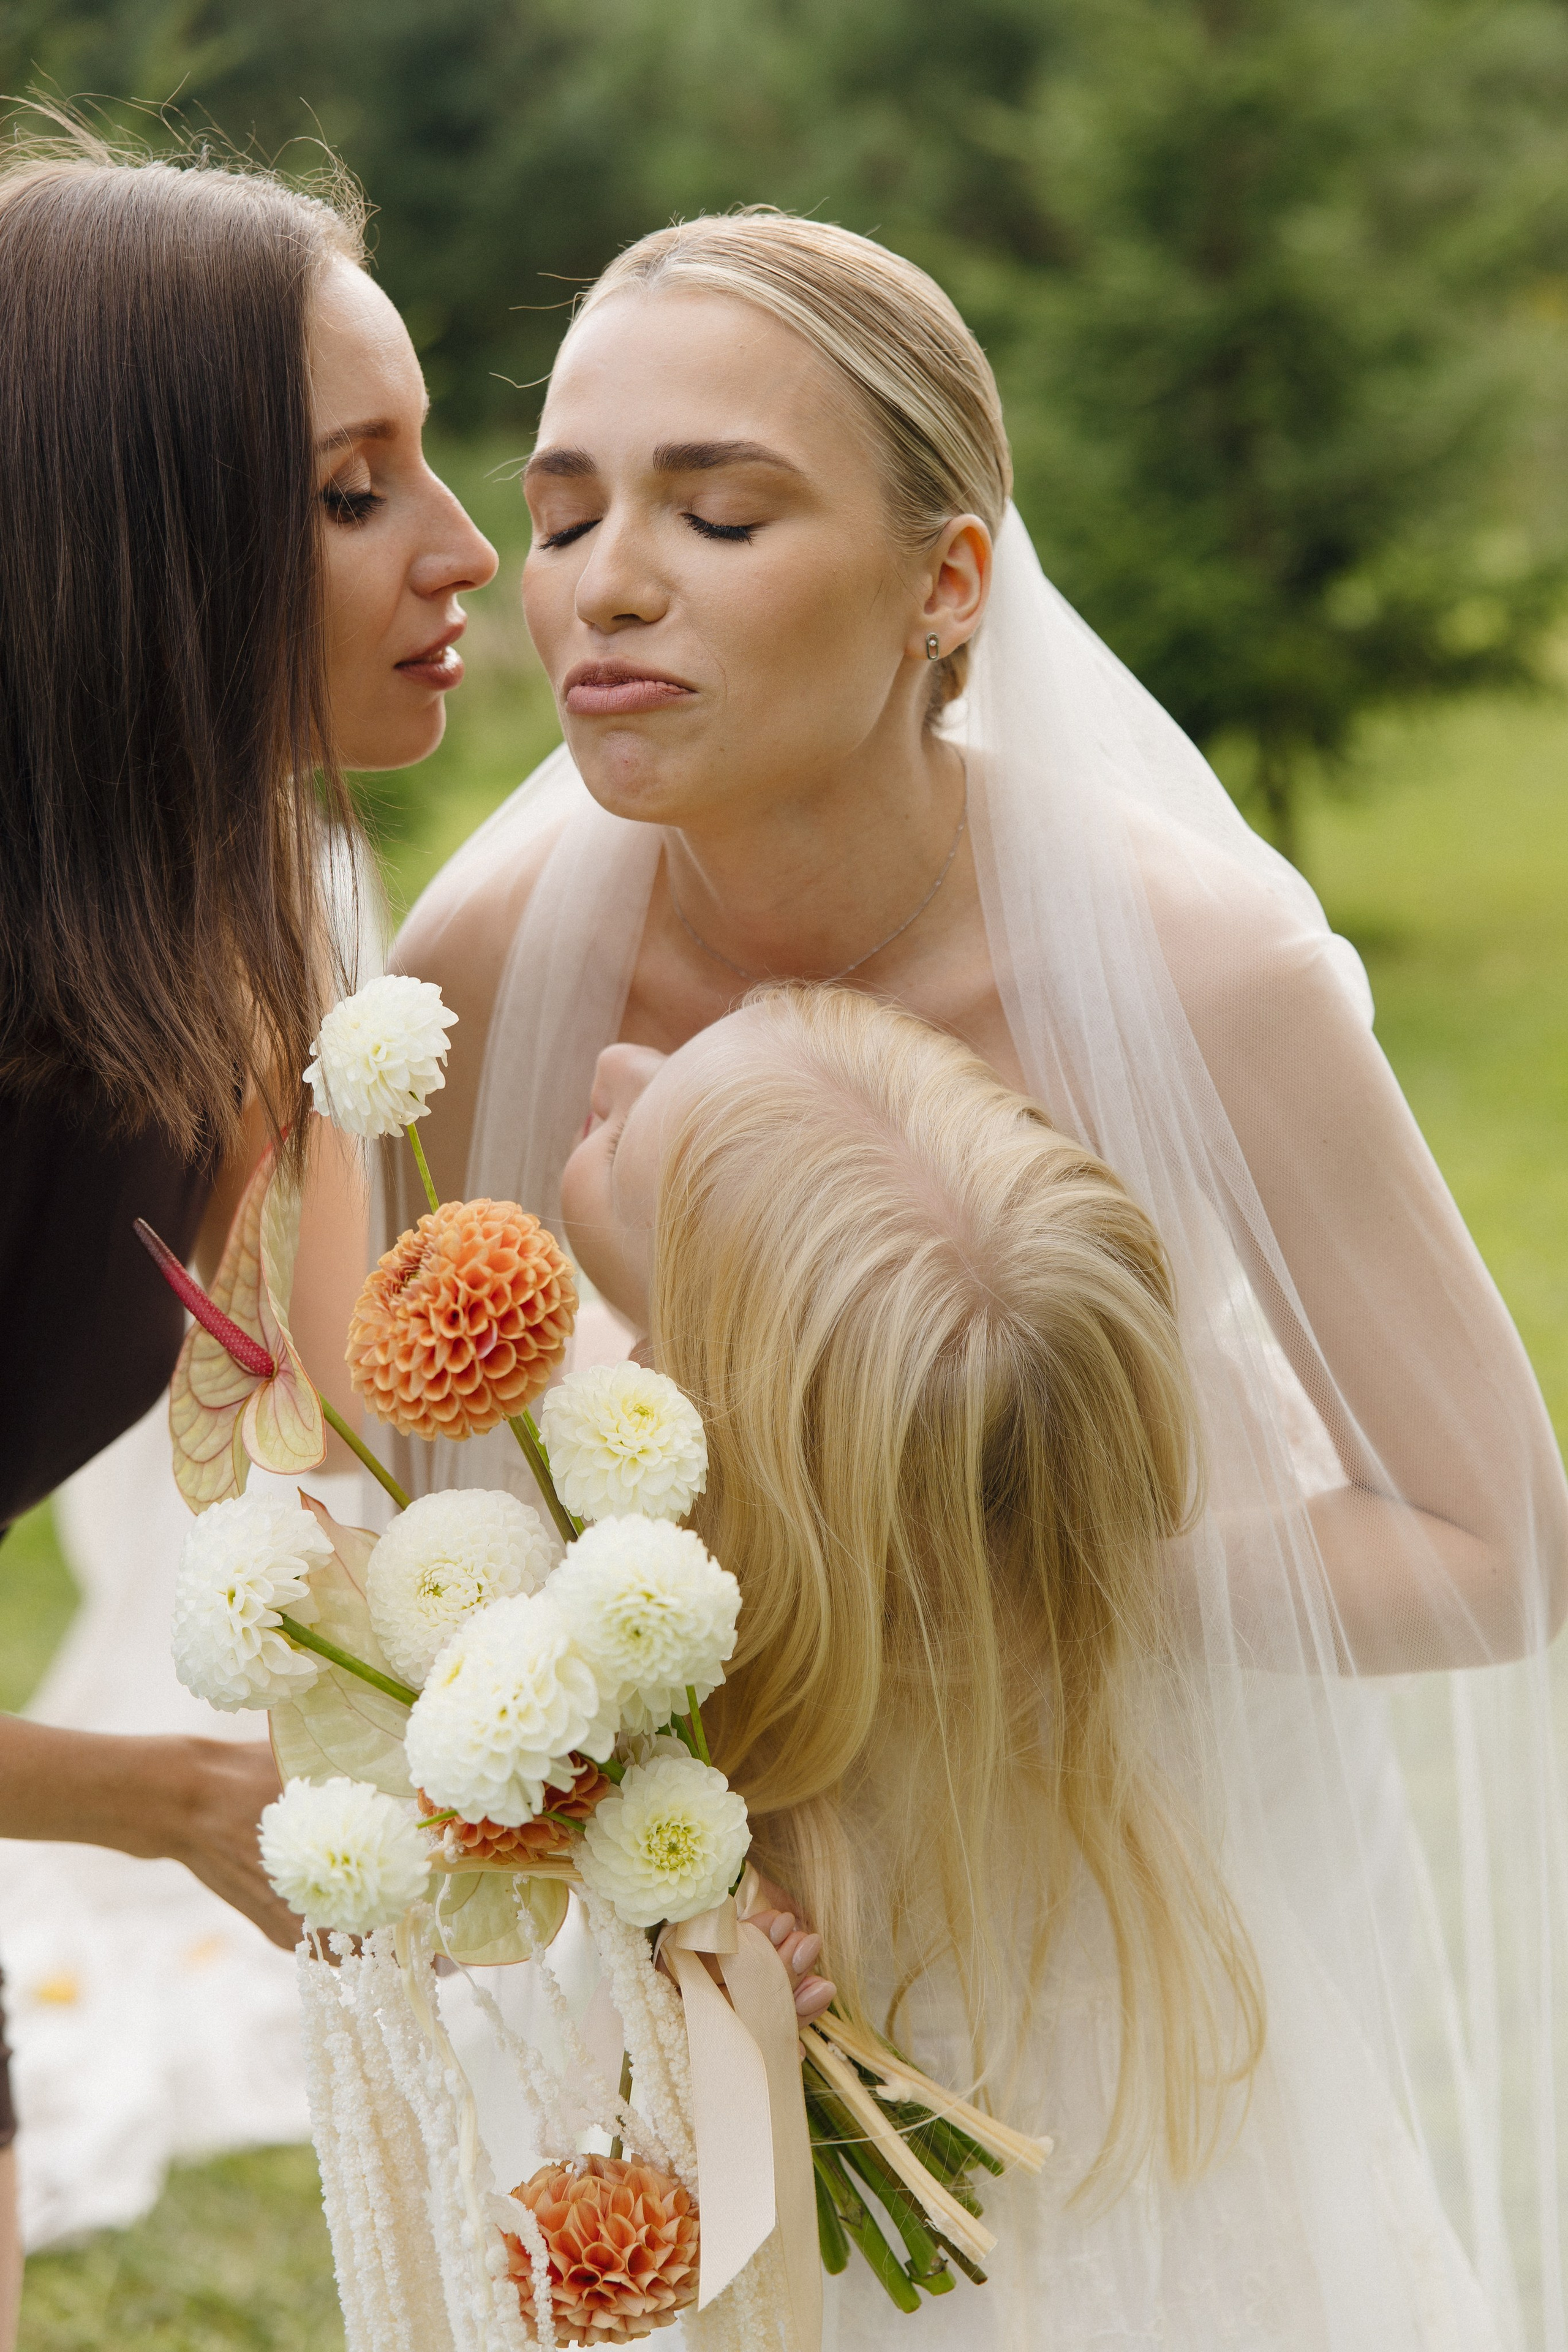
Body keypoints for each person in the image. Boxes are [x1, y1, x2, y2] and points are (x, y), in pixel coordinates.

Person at [391, 209, 1568, 2343]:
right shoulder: (481, 977)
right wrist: (636, 1818)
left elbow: (1496, 1546)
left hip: (1112, 1882)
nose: (603, 584)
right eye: (563, 513)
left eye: (718, 510)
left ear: (950, 582)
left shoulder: (1201, 976)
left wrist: (957, 1578)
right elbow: (431, 1536)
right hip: (697, 1941)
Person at [0, 126, 496, 2313]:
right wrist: (169, 1802)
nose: (472, 552)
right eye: (354, 488)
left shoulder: (253, 922)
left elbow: (349, 1451)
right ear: (139, 540)